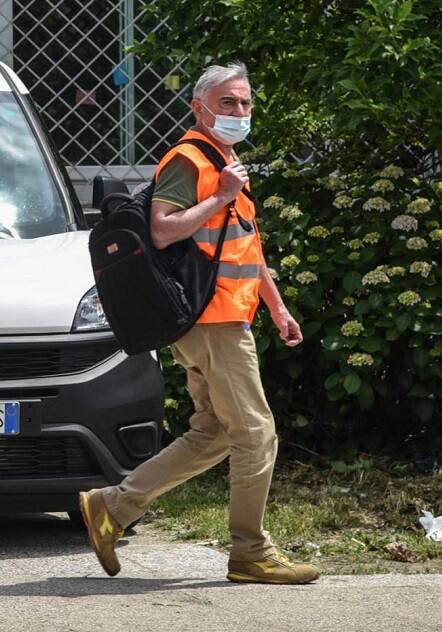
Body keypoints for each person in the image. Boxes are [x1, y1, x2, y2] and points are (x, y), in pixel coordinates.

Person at [77, 62, 319, 584]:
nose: (238, 112)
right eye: (227, 103)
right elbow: (164, 232)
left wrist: (276, 306)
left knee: (213, 433)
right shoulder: (190, 160)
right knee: (256, 432)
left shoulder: (225, 162)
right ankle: (251, 552)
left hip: (231, 315)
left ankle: (112, 508)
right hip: (212, 320)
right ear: (200, 108)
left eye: (245, 103)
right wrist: (220, 195)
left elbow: (246, 246)